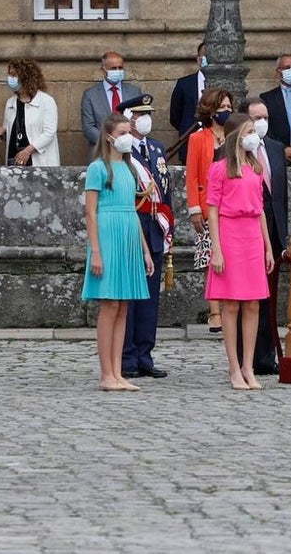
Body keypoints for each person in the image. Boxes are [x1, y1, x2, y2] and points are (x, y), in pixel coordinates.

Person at [81, 113, 155, 392]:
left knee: (123, 306)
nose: (127, 137)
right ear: (110, 137)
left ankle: (117, 371)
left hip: (128, 236)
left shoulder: (129, 168)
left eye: (129, 132)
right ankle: (105, 374)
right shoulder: (97, 168)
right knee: (110, 305)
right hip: (108, 235)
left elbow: (133, 212)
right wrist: (96, 251)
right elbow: (90, 212)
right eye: (123, 133)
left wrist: (145, 251)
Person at [205, 113, 275, 390]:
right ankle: (234, 367)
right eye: (248, 131)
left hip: (252, 235)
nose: (253, 136)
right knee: (231, 303)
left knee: (253, 303)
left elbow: (261, 211)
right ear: (236, 136)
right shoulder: (220, 168)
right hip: (230, 233)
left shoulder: (256, 168)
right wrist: (217, 249)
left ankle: (248, 365)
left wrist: (268, 247)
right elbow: (212, 210)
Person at [118, 95, 173, 380]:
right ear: (128, 118)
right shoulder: (122, 150)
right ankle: (126, 357)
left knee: (150, 297)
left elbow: (166, 189)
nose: (145, 119)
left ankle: (144, 355)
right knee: (130, 296)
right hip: (132, 226)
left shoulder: (156, 147)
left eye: (148, 113)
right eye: (140, 114)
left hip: (154, 227)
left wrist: (168, 226)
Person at [242, 97, 290, 376]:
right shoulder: (233, 151)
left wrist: (283, 233)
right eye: (256, 118)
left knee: (268, 297)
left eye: (266, 118)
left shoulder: (274, 148)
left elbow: (281, 194)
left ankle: (265, 356)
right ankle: (245, 356)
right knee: (247, 298)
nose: (262, 123)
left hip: (273, 232)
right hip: (246, 232)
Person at [186, 88, 235, 334]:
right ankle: (214, 312)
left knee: (232, 259)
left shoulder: (235, 136)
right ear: (210, 110)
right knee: (211, 259)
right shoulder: (198, 138)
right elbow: (192, 175)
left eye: (229, 107)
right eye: (222, 107)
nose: (226, 111)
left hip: (232, 206)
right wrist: (194, 208)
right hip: (207, 208)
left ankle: (230, 308)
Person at [0, 58, 60, 167]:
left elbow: (49, 133)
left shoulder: (46, 101)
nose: (10, 78)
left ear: (25, 77)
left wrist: (27, 151)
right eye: (9, 74)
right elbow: (15, 131)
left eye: (14, 75)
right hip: (14, 159)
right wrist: (4, 131)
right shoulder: (10, 103)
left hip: (38, 161)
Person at [80, 51, 140, 147]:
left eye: (120, 68)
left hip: (130, 148)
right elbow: (88, 127)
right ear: (103, 70)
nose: (118, 71)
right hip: (102, 149)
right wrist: (111, 141)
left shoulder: (134, 92)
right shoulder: (90, 95)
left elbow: (139, 122)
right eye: (113, 68)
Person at [169, 42, 206, 163]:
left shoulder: (223, 84)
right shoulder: (184, 84)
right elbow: (175, 116)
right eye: (205, 55)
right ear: (198, 59)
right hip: (189, 144)